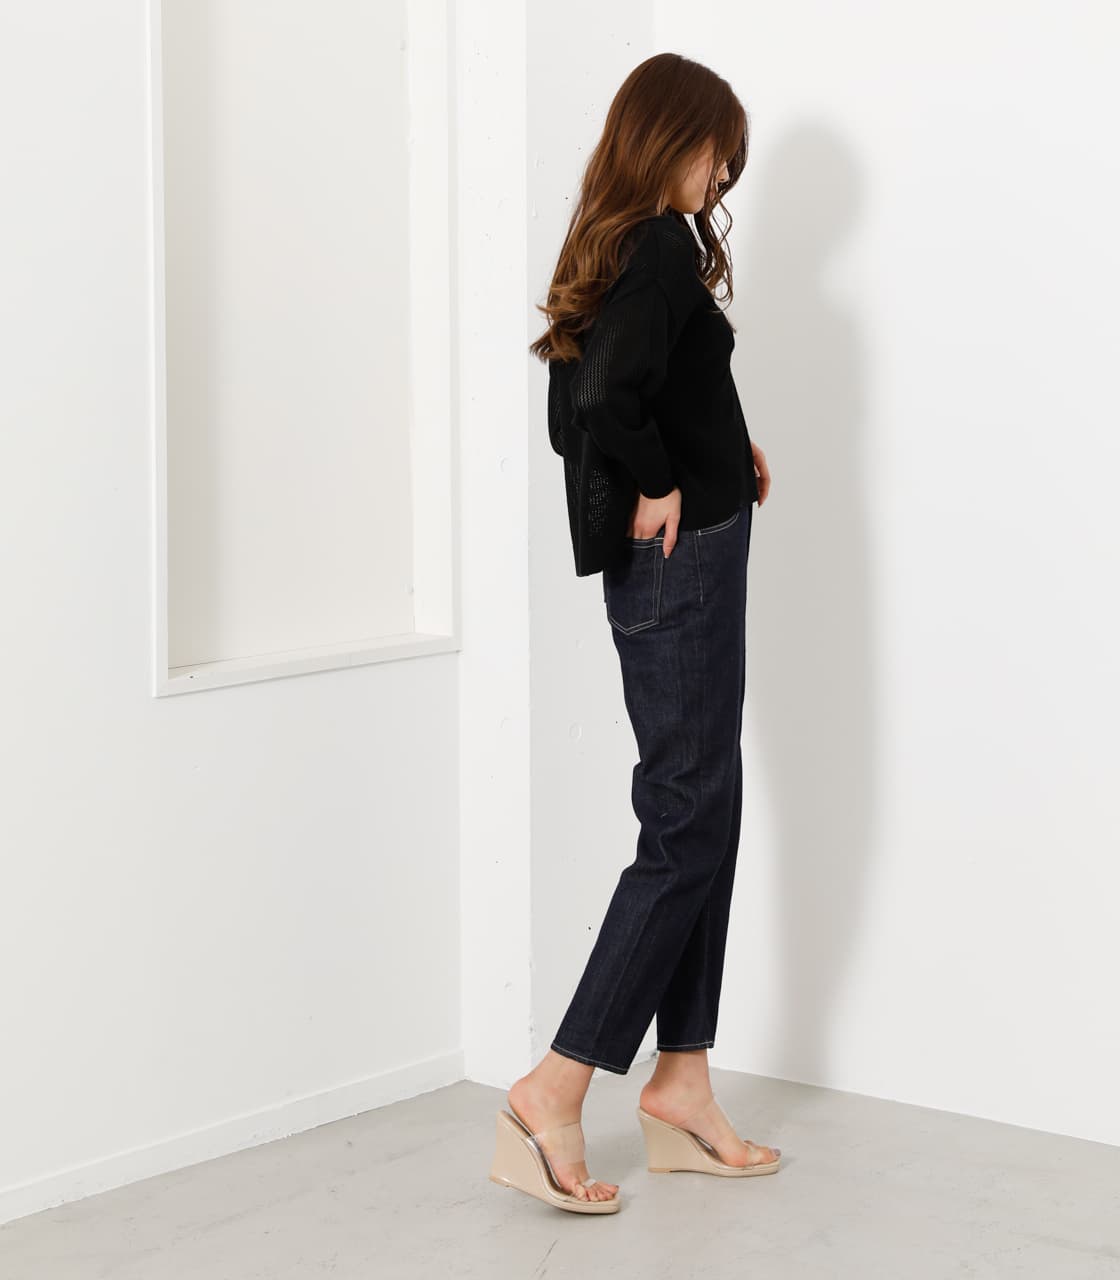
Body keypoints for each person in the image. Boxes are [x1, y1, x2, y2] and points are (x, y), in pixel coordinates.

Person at [490, 53, 781, 1214]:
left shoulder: (618, 242)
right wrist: (663, 481)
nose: (722, 176)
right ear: (672, 138)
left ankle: (683, 1079)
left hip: (690, 547)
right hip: (683, 560)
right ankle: (554, 1086)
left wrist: (722, 449)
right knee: (684, 818)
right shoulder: (656, 246)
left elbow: (625, 387)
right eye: (716, 152)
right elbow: (606, 402)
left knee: (705, 805)